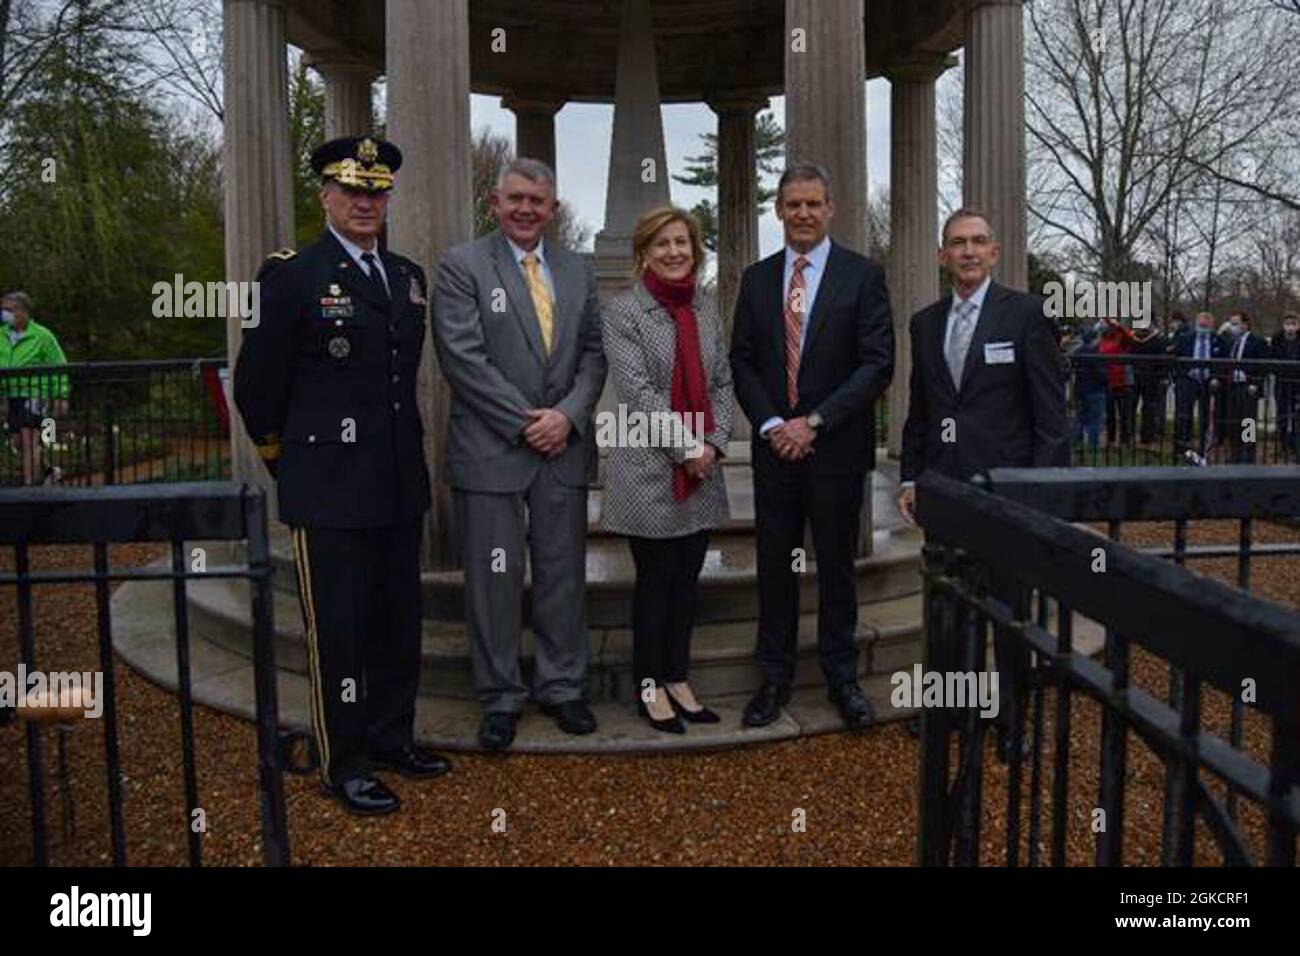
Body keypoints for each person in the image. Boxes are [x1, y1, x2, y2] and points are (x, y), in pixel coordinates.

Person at [234, 136, 451, 816]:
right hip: (326, 487)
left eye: (376, 191)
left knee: (396, 623)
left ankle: (392, 738)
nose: (365, 202)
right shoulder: (292, 274)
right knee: (341, 630)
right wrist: (284, 460)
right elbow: (256, 384)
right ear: (325, 195)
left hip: (394, 482)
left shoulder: (409, 275)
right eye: (352, 190)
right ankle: (344, 760)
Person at [432, 158, 607, 752]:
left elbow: (593, 355)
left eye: (538, 200)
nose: (527, 209)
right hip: (492, 452)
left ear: (553, 209)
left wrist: (569, 416)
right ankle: (501, 696)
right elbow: (462, 357)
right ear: (495, 203)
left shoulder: (578, 270)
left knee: (562, 577)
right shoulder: (462, 266)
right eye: (516, 199)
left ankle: (562, 687)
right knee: (494, 579)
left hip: (563, 449)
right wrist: (525, 423)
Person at [729, 163, 894, 731]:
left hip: (835, 449)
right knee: (775, 565)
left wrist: (815, 422)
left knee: (836, 568)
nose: (802, 213)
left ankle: (841, 676)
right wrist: (776, 423)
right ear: (778, 210)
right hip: (775, 450)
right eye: (792, 204)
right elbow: (742, 360)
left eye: (812, 204)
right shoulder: (756, 280)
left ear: (830, 210)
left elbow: (877, 364)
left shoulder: (863, 276)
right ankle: (772, 677)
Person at [897, 207, 1068, 754]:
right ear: (943, 256)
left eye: (978, 242)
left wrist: (1039, 494)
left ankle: (1014, 719)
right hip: (945, 492)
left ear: (994, 252)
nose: (968, 251)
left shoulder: (1025, 316)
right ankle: (951, 710)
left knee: (1008, 613)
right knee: (948, 607)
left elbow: (1050, 418)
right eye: (957, 243)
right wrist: (909, 479)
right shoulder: (924, 323)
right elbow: (920, 412)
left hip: (1006, 494)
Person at [600, 207, 732, 734]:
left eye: (682, 242)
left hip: (703, 468)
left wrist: (715, 443)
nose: (674, 252)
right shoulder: (624, 311)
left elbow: (721, 379)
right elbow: (639, 394)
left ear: (695, 249)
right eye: (662, 244)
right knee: (655, 584)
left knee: (686, 583)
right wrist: (688, 449)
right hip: (650, 469)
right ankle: (649, 685)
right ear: (644, 253)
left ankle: (677, 676)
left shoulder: (705, 306)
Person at [1, 292, 69, 485]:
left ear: (23, 312)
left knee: (29, 437)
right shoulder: (1, 335)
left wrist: (61, 395)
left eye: (9, 310)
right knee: (18, 442)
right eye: (3, 309)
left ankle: (29, 488)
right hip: (12, 394)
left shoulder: (42, 335)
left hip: (35, 393)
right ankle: (49, 471)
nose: (4, 314)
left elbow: (59, 365)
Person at [1171, 311, 1225, 459]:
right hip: (1188, 380)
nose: (1203, 327)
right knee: (1183, 415)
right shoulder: (1185, 338)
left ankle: (1204, 448)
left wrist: (1216, 377)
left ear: (1212, 325)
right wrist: (1179, 377)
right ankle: (1182, 447)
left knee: (1206, 416)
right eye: (1201, 325)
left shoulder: (1219, 341)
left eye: (1206, 325)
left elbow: (1224, 364)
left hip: (1209, 383)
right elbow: (1175, 358)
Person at [1224, 312, 1268, 463]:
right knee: (1233, 422)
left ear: (1245, 324)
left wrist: (1255, 383)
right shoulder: (1231, 342)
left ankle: (1249, 456)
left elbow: (1263, 366)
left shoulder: (1257, 342)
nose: (1232, 327)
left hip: (1248, 387)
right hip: (1232, 386)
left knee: (1248, 422)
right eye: (1231, 323)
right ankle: (1235, 455)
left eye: (1235, 323)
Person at [1129, 321, 1170, 446]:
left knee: (1132, 407)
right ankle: (1147, 437)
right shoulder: (1158, 340)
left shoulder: (1132, 339)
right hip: (1151, 377)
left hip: (1136, 376)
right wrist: (1163, 376)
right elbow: (1163, 360)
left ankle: (1129, 435)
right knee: (1148, 407)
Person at [1070, 325, 1106, 457]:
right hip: (1095, 390)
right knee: (1095, 420)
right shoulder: (1096, 354)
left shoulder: (1076, 353)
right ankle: (1093, 447)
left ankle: (1074, 443)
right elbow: (1101, 374)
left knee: (1080, 418)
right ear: (1094, 339)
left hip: (1080, 389)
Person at [1098, 318, 1134, 448]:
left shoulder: (1120, 337)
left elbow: (1130, 338)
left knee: (1125, 414)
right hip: (1108, 381)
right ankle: (1111, 439)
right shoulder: (1102, 340)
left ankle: (1126, 440)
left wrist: (1117, 325)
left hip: (1122, 381)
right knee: (1110, 414)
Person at [1272, 314, 1300, 459]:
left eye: (1293, 323)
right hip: (1281, 383)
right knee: (1281, 416)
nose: (1290, 326)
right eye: (1288, 323)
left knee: (1297, 418)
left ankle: (1296, 448)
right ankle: (1281, 445)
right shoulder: (1277, 340)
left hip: (1297, 384)